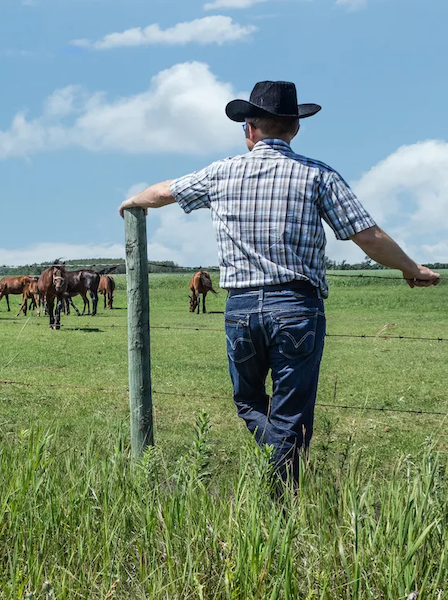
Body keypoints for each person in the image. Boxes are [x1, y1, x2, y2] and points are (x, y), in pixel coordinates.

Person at [118, 80, 441, 483]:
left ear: (248, 129)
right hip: (296, 306)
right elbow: (367, 236)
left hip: (240, 309)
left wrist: (132, 202)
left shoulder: (221, 172)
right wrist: (413, 269)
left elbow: (164, 192)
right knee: (292, 412)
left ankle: (276, 491)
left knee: (248, 400)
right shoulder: (317, 175)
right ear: (295, 128)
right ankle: (280, 497)